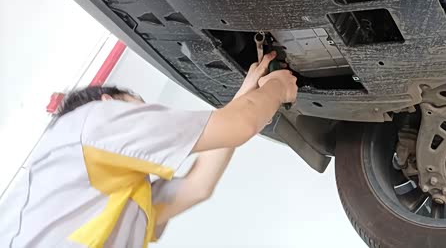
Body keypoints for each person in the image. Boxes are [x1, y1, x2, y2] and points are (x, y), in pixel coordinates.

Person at [0, 51, 297, 247]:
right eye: (140, 108)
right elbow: (239, 125)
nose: (150, 121)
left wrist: (245, 96)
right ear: (109, 102)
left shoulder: (122, 199)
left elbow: (197, 186)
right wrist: (277, 88)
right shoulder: (94, 122)